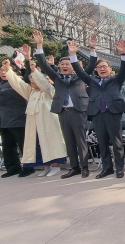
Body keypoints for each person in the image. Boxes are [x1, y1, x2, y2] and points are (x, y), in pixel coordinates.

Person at [33, 31, 90, 179]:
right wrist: (39, 45)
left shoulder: (80, 76)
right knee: (69, 141)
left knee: (80, 140)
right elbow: (44, 65)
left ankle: (84, 167)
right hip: (63, 112)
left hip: (78, 111)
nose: (65, 66)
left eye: (68, 64)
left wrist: (73, 55)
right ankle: (74, 167)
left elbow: (88, 68)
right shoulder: (56, 76)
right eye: (62, 64)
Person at [70, 39, 125, 179]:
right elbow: (79, 71)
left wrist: (123, 55)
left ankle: (119, 169)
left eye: (105, 66)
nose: (102, 69)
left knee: (117, 143)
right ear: (96, 70)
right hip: (97, 113)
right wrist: (73, 55)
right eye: (99, 67)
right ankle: (107, 168)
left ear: (110, 69)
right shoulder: (91, 81)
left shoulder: (116, 80)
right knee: (101, 143)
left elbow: (124, 69)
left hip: (113, 113)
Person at [6, 45, 68, 177]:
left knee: (51, 142)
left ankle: (55, 166)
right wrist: (9, 71)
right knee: (39, 144)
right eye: (32, 82)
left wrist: (33, 69)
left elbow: (44, 84)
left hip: (49, 122)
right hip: (35, 124)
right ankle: (46, 166)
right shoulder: (31, 93)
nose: (34, 84)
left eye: (36, 81)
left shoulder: (49, 91)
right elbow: (19, 85)